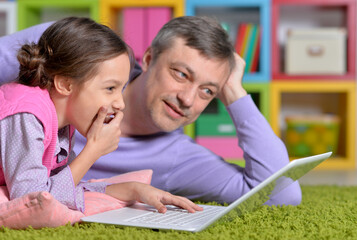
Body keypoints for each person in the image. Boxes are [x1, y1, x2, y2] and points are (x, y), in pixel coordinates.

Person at [0, 16, 301, 206]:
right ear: (148, 58)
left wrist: (234, 90)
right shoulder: (71, 52)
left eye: (208, 91)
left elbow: (281, 193)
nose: (187, 99)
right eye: (181, 74)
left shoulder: (179, 158)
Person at [0, 17, 202, 214]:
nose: (120, 103)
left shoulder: (62, 121)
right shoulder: (27, 113)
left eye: (121, 88)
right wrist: (92, 151)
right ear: (65, 84)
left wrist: (133, 190)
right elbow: (32, 200)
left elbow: (61, 186)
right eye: (110, 88)